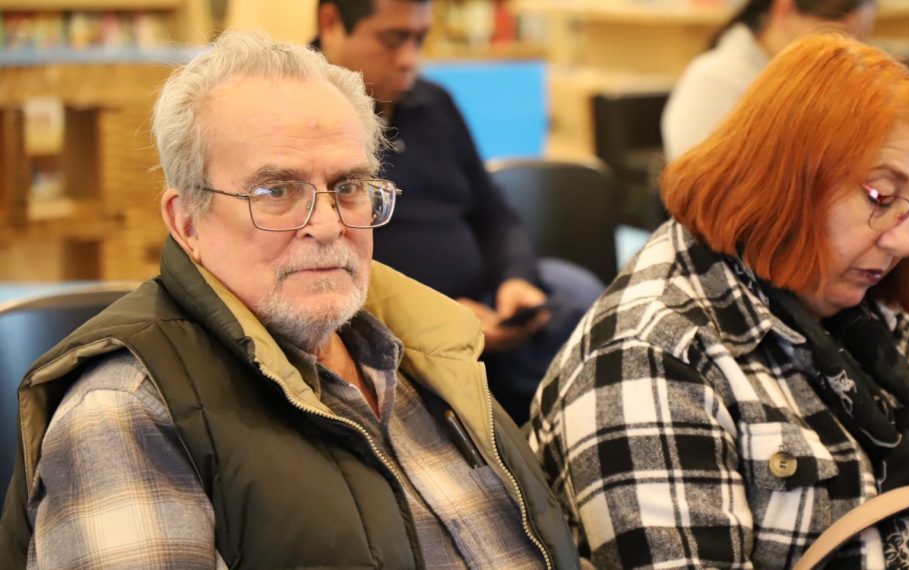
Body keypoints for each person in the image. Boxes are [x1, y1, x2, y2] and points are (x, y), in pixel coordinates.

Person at [529, 34, 909, 569]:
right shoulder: (648, 356)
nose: (905, 243)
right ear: (784, 174)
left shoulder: (861, 296)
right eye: (881, 196)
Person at [0, 30, 579, 569]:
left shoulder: (428, 353)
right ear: (187, 222)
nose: (327, 225)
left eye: (348, 187)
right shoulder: (126, 412)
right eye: (276, 190)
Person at [314, 0, 604, 425]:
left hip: (486, 304)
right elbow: (326, 255)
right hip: (389, 319)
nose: (410, 59)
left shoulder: (434, 103)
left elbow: (494, 214)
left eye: (419, 39)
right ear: (331, 23)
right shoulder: (307, 119)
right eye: (393, 39)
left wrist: (515, 279)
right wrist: (440, 318)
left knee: (577, 293)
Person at [660, 0, 877, 160]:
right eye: (835, 35)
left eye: (858, 40)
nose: (842, 53)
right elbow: (702, 192)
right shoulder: (715, 80)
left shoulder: (812, 83)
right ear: (785, 9)